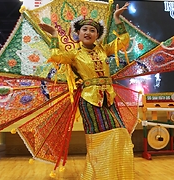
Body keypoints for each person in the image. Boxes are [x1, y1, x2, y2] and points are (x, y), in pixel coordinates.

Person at [39, 2, 134, 179]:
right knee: (99, 140)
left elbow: (123, 42)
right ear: (78, 34)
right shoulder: (75, 53)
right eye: (85, 30)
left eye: (92, 30)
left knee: (121, 133)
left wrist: (117, 19)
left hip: (109, 98)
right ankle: (98, 176)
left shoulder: (103, 49)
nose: (88, 32)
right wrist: (53, 35)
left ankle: (116, 174)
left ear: (97, 35)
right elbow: (56, 56)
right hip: (90, 101)